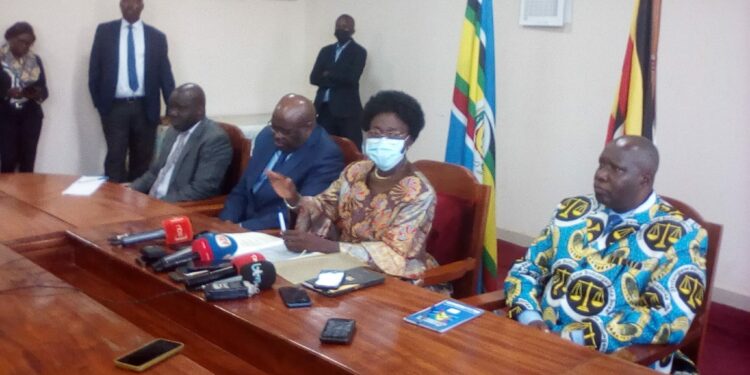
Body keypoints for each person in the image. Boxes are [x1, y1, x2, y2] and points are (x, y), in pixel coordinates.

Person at [504, 136, 708, 373]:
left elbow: (666, 318)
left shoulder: (682, 235)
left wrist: (575, 337)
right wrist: (530, 319)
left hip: (615, 359)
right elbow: (527, 269)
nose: (601, 174)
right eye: (602, 164)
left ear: (645, 179)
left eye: (617, 169)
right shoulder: (571, 211)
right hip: (537, 343)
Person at [267, 90, 440, 285]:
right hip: (343, 266)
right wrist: (294, 198)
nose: (383, 140)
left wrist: (328, 246)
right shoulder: (356, 171)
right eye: (376, 132)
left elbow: (393, 255)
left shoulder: (418, 192)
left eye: (393, 134)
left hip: (399, 280)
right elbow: (324, 206)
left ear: (410, 140)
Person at [219, 94, 343, 231]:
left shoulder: (326, 155)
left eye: (285, 131)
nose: (277, 136)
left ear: (308, 127)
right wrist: (225, 223)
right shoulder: (266, 136)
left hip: (272, 232)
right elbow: (242, 189)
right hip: (238, 226)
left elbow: (304, 212)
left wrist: (240, 228)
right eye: (274, 127)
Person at [89, 0, 175, 183]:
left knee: (142, 160)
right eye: (126, 2)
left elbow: (165, 74)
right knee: (115, 157)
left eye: (135, 2)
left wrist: (171, 107)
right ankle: (113, 206)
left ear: (142, 6)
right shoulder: (105, 31)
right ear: (120, 5)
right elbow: (94, 69)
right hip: (114, 108)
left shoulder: (156, 37)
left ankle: (138, 205)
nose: (130, 6)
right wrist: (100, 104)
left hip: (146, 107)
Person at [130, 83, 231, 202]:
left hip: (176, 208)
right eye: (171, 107)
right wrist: (130, 191)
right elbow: (154, 173)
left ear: (200, 110)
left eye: (181, 108)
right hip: (151, 201)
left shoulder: (214, 139)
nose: (173, 113)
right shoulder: (172, 131)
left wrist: (158, 204)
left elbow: (201, 189)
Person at [310, 14, 367, 150]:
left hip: (347, 112)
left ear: (353, 30)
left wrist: (328, 74)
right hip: (323, 109)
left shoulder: (359, 52)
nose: (342, 29)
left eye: (346, 27)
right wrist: (337, 75)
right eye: (339, 26)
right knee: (323, 149)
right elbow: (313, 78)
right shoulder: (325, 51)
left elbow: (352, 79)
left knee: (351, 151)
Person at [0, 22, 48, 173]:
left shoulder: (35, 60)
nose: (26, 46)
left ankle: (26, 196)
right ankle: (6, 196)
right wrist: (6, 93)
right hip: (5, 117)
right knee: (8, 160)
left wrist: (35, 92)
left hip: (31, 116)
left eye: (29, 43)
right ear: (11, 38)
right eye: (22, 41)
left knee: (28, 162)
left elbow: (45, 90)